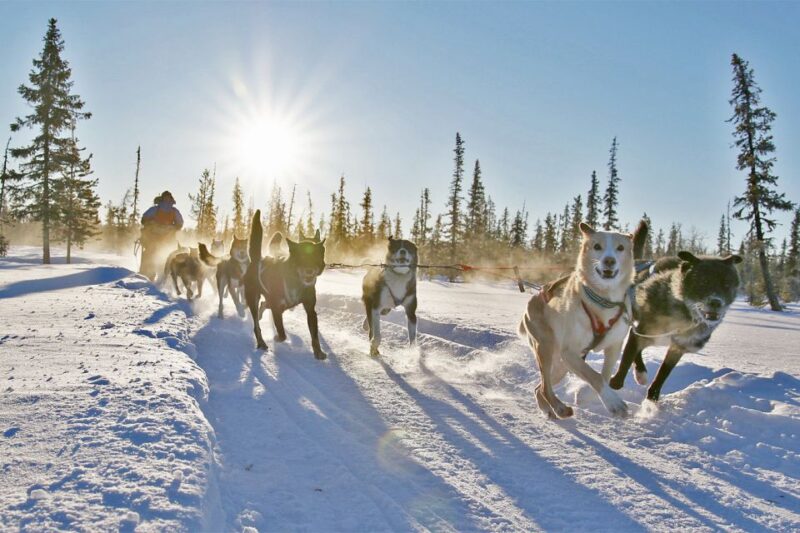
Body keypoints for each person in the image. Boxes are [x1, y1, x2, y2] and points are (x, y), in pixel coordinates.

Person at [139, 191, 184, 281]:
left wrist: (174, 227)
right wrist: (150, 224)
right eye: (165, 198)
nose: (167, 200)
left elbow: (180, 223)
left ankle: (166, 276)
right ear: (162, 198)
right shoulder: (155, 209)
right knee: (150, 254)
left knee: (168, 256)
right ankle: (146, 275)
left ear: (171, 199)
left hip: (167, 238)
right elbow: (144, 219)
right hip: (154, 237)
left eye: (168, 198)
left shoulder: (174, 211)